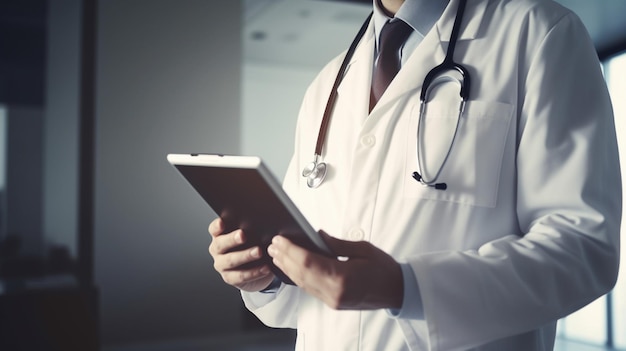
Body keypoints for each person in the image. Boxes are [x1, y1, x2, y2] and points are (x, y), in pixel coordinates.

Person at [208, 0, 621, 349]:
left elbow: (581, 247)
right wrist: (266, 277)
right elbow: (307, 293)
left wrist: (406, 288)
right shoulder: (327, 86)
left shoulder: (537, 33)